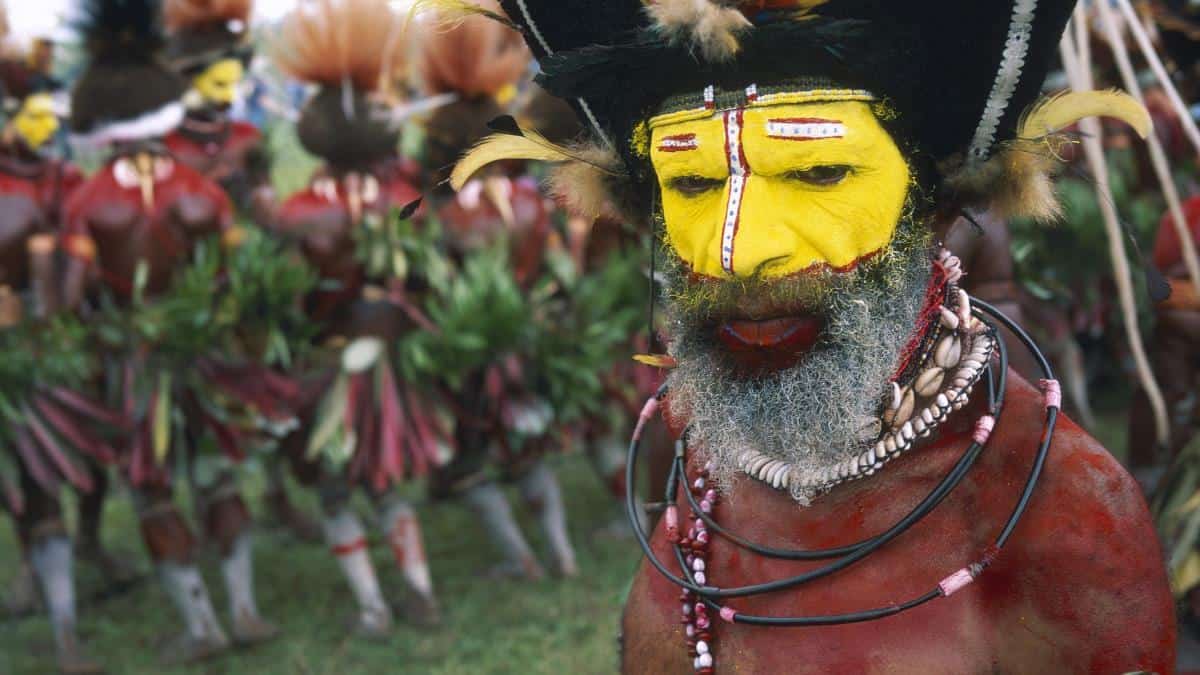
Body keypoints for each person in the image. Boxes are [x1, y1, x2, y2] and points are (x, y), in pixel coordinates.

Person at [450, 1, 1175, 671]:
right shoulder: (709, 464)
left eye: (821, 170)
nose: (736, 252)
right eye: (694, 185)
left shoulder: (1061, 516)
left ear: (932, 203)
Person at [60, 0, 279, 663]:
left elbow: (74, 297)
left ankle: (202, 624)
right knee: (215, 478)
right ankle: (243, 611)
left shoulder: (86, 201)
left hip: (135, 360)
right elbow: (237, 276)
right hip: (206, 354)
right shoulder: (203, 193)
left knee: (153, 488)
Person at [270, 0, 442, 637]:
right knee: (382, 483)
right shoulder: (402, 201)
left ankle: (378, 604)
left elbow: (283, 306)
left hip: (333, 367)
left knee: (341, 488)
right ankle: (412, 593)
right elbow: (426, 287)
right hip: (380, 372)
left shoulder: (293, 212)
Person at [417, 0, 578, 580]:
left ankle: (520, 559)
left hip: (473, 356)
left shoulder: (439, 223)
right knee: (530, 448)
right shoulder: (533, 202)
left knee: (473, 459)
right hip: (530, 342)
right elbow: (560, 275)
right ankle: (560, 553)